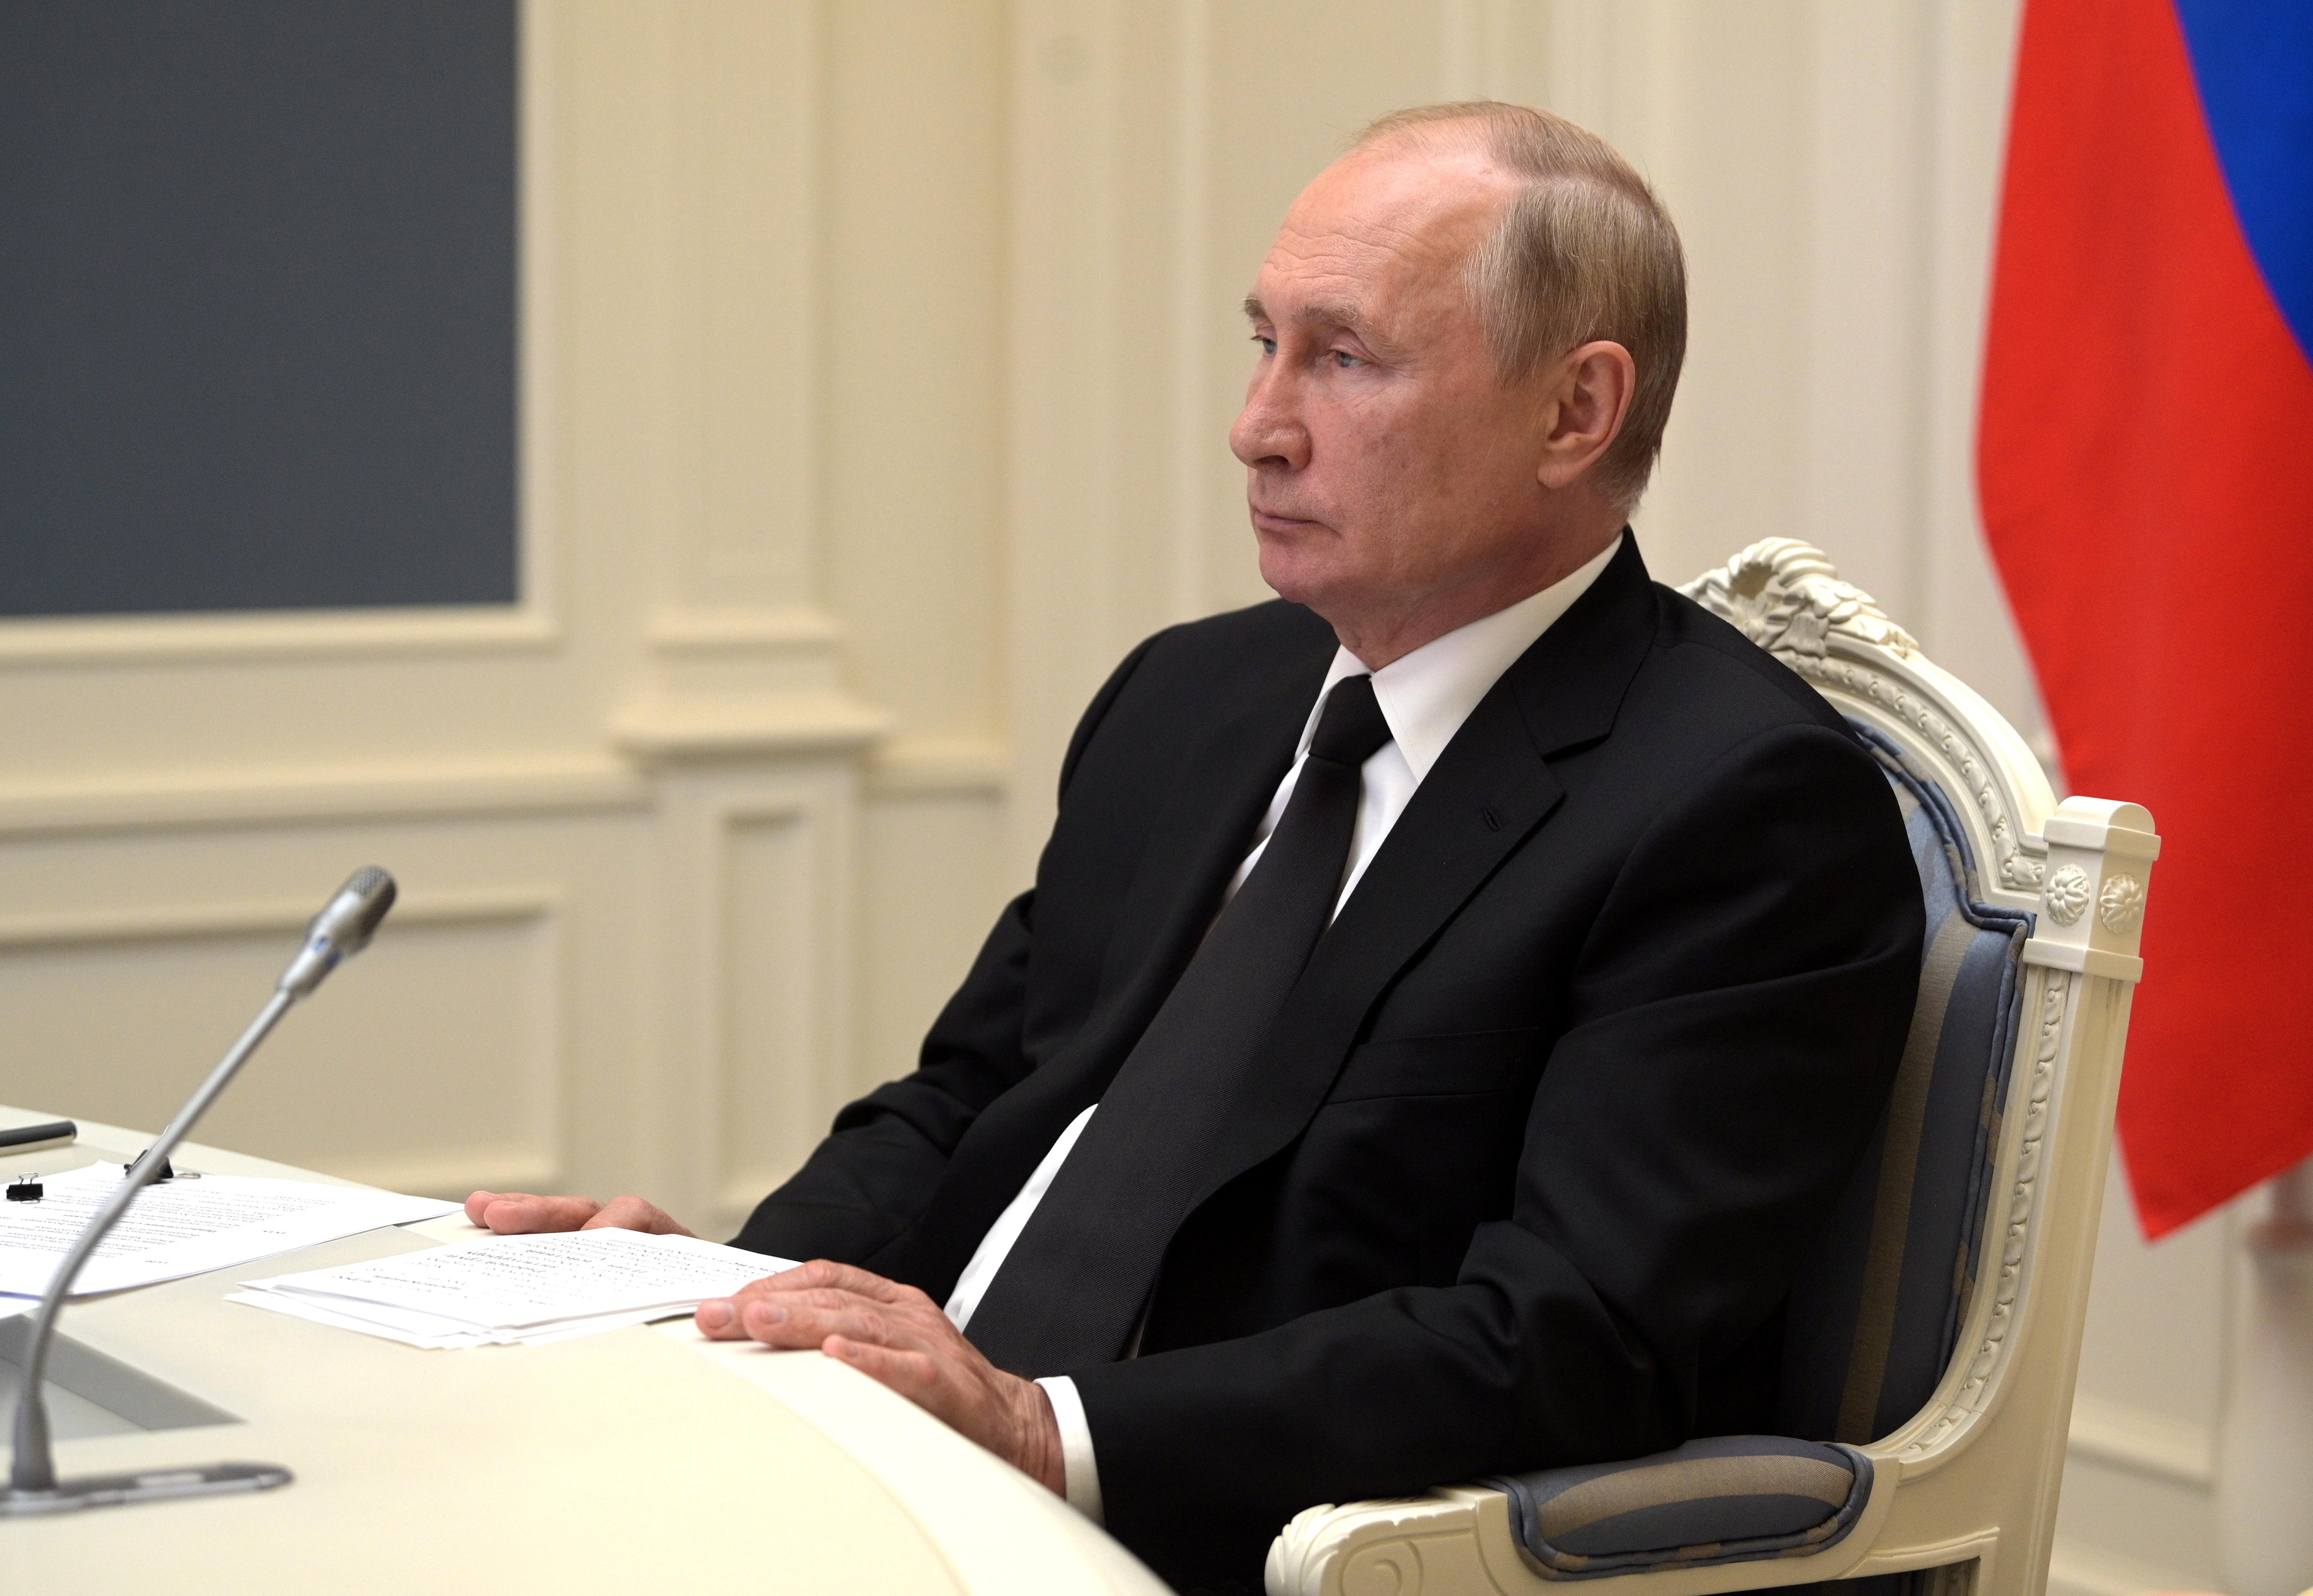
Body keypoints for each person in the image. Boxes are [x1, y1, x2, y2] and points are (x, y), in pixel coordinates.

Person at [467, 101, 1924, 1595]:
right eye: (1264, 342)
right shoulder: (1195, 694)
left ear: (1575, 413)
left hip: (1253, 1540)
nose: (1257, 423)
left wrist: (1047, 1429)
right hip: (909, 1486)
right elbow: (971, 1100)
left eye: (1343, 357)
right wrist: (731, 1296)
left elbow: (1575, 1335)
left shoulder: (1739, 805)